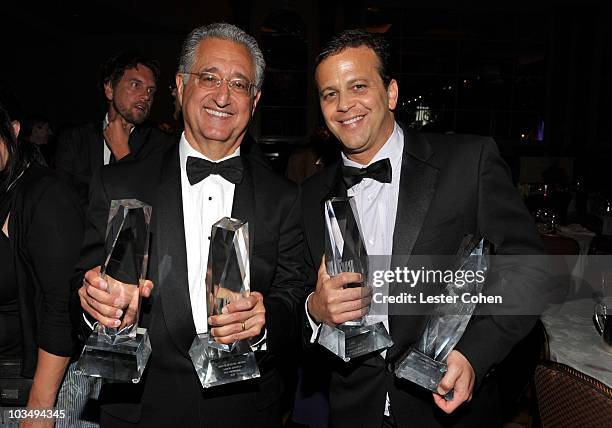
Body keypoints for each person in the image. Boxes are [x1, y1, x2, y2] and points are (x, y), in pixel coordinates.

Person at [301, 30, 546, 428]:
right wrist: (315, 309)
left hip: (446, 409)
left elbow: (530, 269)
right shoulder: (310, 195)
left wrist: (472, 354)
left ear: (391, 93)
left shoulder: (468, 162)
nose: (344, 104)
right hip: (352, 410)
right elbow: (293, 297)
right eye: (330, 94)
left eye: (358, 86)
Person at [73, 23, 305, 427]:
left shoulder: (283, 196)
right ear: (181, 87)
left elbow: (295, 298)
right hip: (141, 410)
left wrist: (266, 322)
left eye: (238, 83)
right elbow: (79, 290)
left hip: (247, 411)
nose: (222, 95)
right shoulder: (120, 183)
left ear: (255, 100)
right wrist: (96, 307)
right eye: (209, 77)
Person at [0, 100, 83, 425]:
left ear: (13, 131)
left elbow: (59, 305)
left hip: (37, 388)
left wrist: (38, 409)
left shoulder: (45, 194)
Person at [55, 51, 172, 210]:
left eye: (151, 90)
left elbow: (149, 208)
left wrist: (123, 154)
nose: (146, 96)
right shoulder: (75, 140)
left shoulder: (160, 145)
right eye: (135, 85)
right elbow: (61, 204)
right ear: (110, 89)